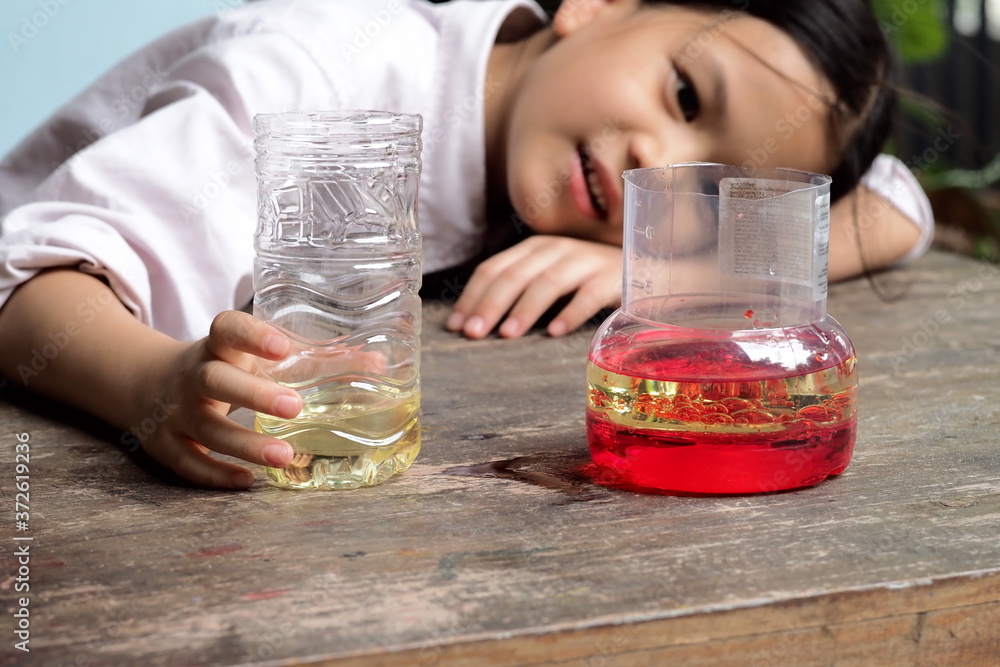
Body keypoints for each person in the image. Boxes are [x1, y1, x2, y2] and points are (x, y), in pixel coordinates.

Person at [0, 0, 933, 489]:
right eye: (686, 96)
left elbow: (899, 201)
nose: (662, 168)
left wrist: (652, 257)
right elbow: (31, 272)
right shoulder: (323, 79)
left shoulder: (574, 153)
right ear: (599, 3)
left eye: (713, 196)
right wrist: (152, 387)